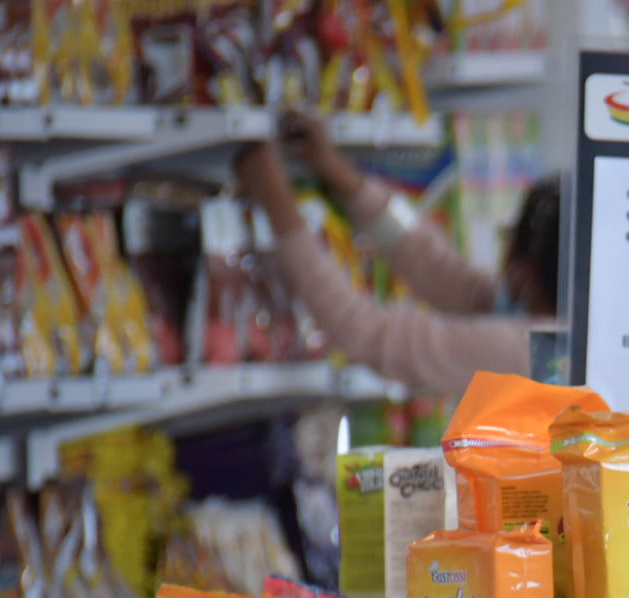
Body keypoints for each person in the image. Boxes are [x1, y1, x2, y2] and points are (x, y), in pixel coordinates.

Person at [233, 111, 559, 395]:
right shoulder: (553, 328)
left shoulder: (529, 354)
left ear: (525, 273)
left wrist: (277, 204)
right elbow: (439, 269)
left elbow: (369, 335)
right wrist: (341, 176)